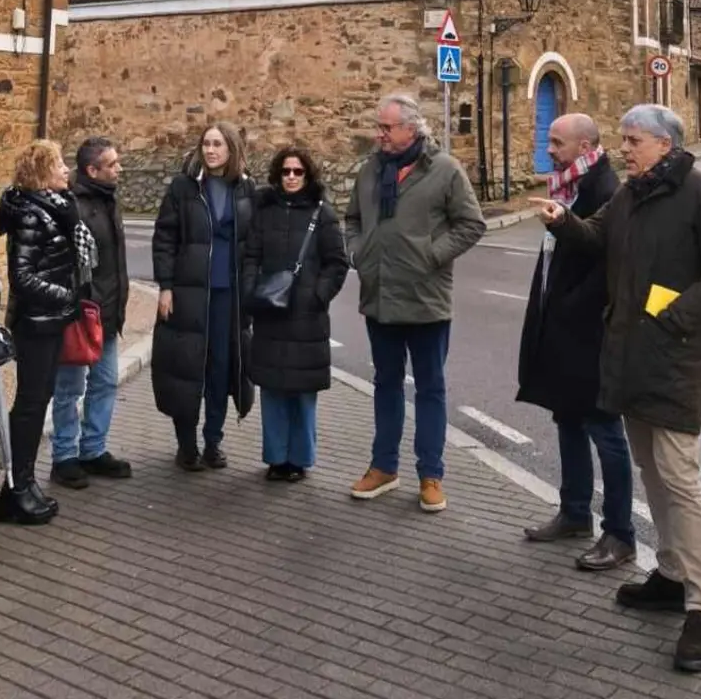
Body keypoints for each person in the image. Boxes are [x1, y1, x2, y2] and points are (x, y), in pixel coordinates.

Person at [530, 104, 701, 673]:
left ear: (665, 145)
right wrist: (561, 219)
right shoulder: (628, 196)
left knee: (681, 481)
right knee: (652, 473)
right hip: (626, 360)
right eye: (624, 141)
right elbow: (596, 236)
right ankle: (671, 577)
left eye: (632, 141)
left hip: (673, 362)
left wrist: (673, 317)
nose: (623, 149)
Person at [344, 94, 486, 512]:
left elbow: (472, 224)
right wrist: (358, 253)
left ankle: (431, 475)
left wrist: (431, 254)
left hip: (426, 301)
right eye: (379, 127)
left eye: (386, 128)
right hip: (380, 298)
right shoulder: (371, 170)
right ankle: (384, 467)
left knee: (430, 390)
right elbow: (352, 219)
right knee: (385, 386)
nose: (379, 135)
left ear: (411, 128)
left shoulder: (443, 170)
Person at [517, 113, 636, 572]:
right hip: (565, 327)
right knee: (567, 419)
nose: (549, 148)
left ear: (584, 145)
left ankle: (620, 533)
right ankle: (574, 513)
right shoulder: (568, 186)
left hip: (591, 332)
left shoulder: (604, 190)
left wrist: (569, 309)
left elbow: (605, 263)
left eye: (557, 141)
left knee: (605, 431)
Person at [0, 140, 94, 524]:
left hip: (50, 320)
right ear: (41, 173)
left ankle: (24, 482)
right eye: (59, 165)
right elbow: (22, 276)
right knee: (31, 404)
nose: (67, 170)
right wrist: (65, 295)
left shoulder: (55, 208)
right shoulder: (32, 215)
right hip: (37, 323)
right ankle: (16, 488)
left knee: (40, 401)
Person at [151, 122, 257, 471]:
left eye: (218, 144)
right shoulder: (183, 188)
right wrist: (165, 286)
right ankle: (186, 445)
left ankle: (213, 441)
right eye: (206, 144)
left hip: (230, 297)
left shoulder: (246, 189)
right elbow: (165, 238)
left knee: (221, 369)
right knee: (187, 368)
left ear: (231, 149)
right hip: (188, 293)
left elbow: (254, 244)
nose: (210, 150)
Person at [242, 147, 348, 480]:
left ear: (308, 175)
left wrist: (319, 295)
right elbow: (250, 256)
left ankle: (299, 460)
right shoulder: (265, 211)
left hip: (306, 317)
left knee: (302, 392)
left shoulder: (323, 213)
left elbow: (337, 262)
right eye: (286, 171)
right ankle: (276, 458)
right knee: (272, 389)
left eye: (298, 171)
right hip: (270, 311)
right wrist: (251, 290)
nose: (291, 177)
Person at [50, 136, 132, 489]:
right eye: (113, 164)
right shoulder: (72, 205)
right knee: (69, 388)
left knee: (105, 383)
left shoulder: (109, 200)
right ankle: (64, 455)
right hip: (81, 313)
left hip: (109, 312)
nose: (119, 169)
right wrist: (84, 301)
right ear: (92, 170)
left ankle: (93, 449)